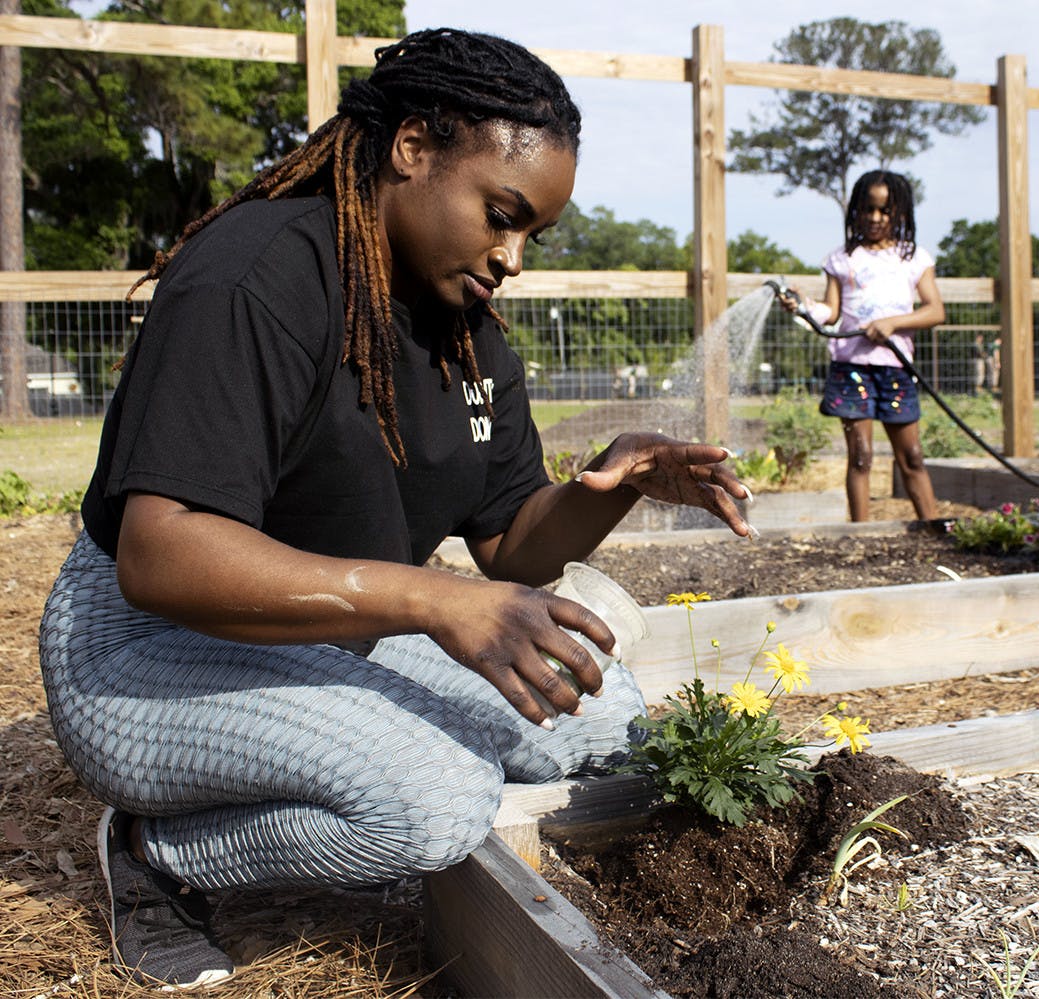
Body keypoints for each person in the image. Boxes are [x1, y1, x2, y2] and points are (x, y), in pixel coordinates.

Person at [38, 28, 752, 990]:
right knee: (434, 798)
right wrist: (429, 599)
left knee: (599, 717)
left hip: (333, 630)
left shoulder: (462, 330)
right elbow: (159, 558)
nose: (512, 257)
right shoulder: (256, 278)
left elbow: (509, 548)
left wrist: (608, 492)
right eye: (502, 215)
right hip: (143, 643)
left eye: (531, 232)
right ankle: (157, 856)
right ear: (413, 148)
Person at [781, 170, 944, 522]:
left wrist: (893, 322)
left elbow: (935, 310)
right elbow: (831, 312)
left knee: (912, 456)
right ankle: (859, 536)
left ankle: (933, 530)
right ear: (855, 210)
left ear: (900, 213)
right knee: (860, 455)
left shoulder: (914, 258)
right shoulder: (841, 259)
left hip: (896, 369)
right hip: (851, 368)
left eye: (884, 211)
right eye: (867, 209)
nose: (874, 218)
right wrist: (803, 306)